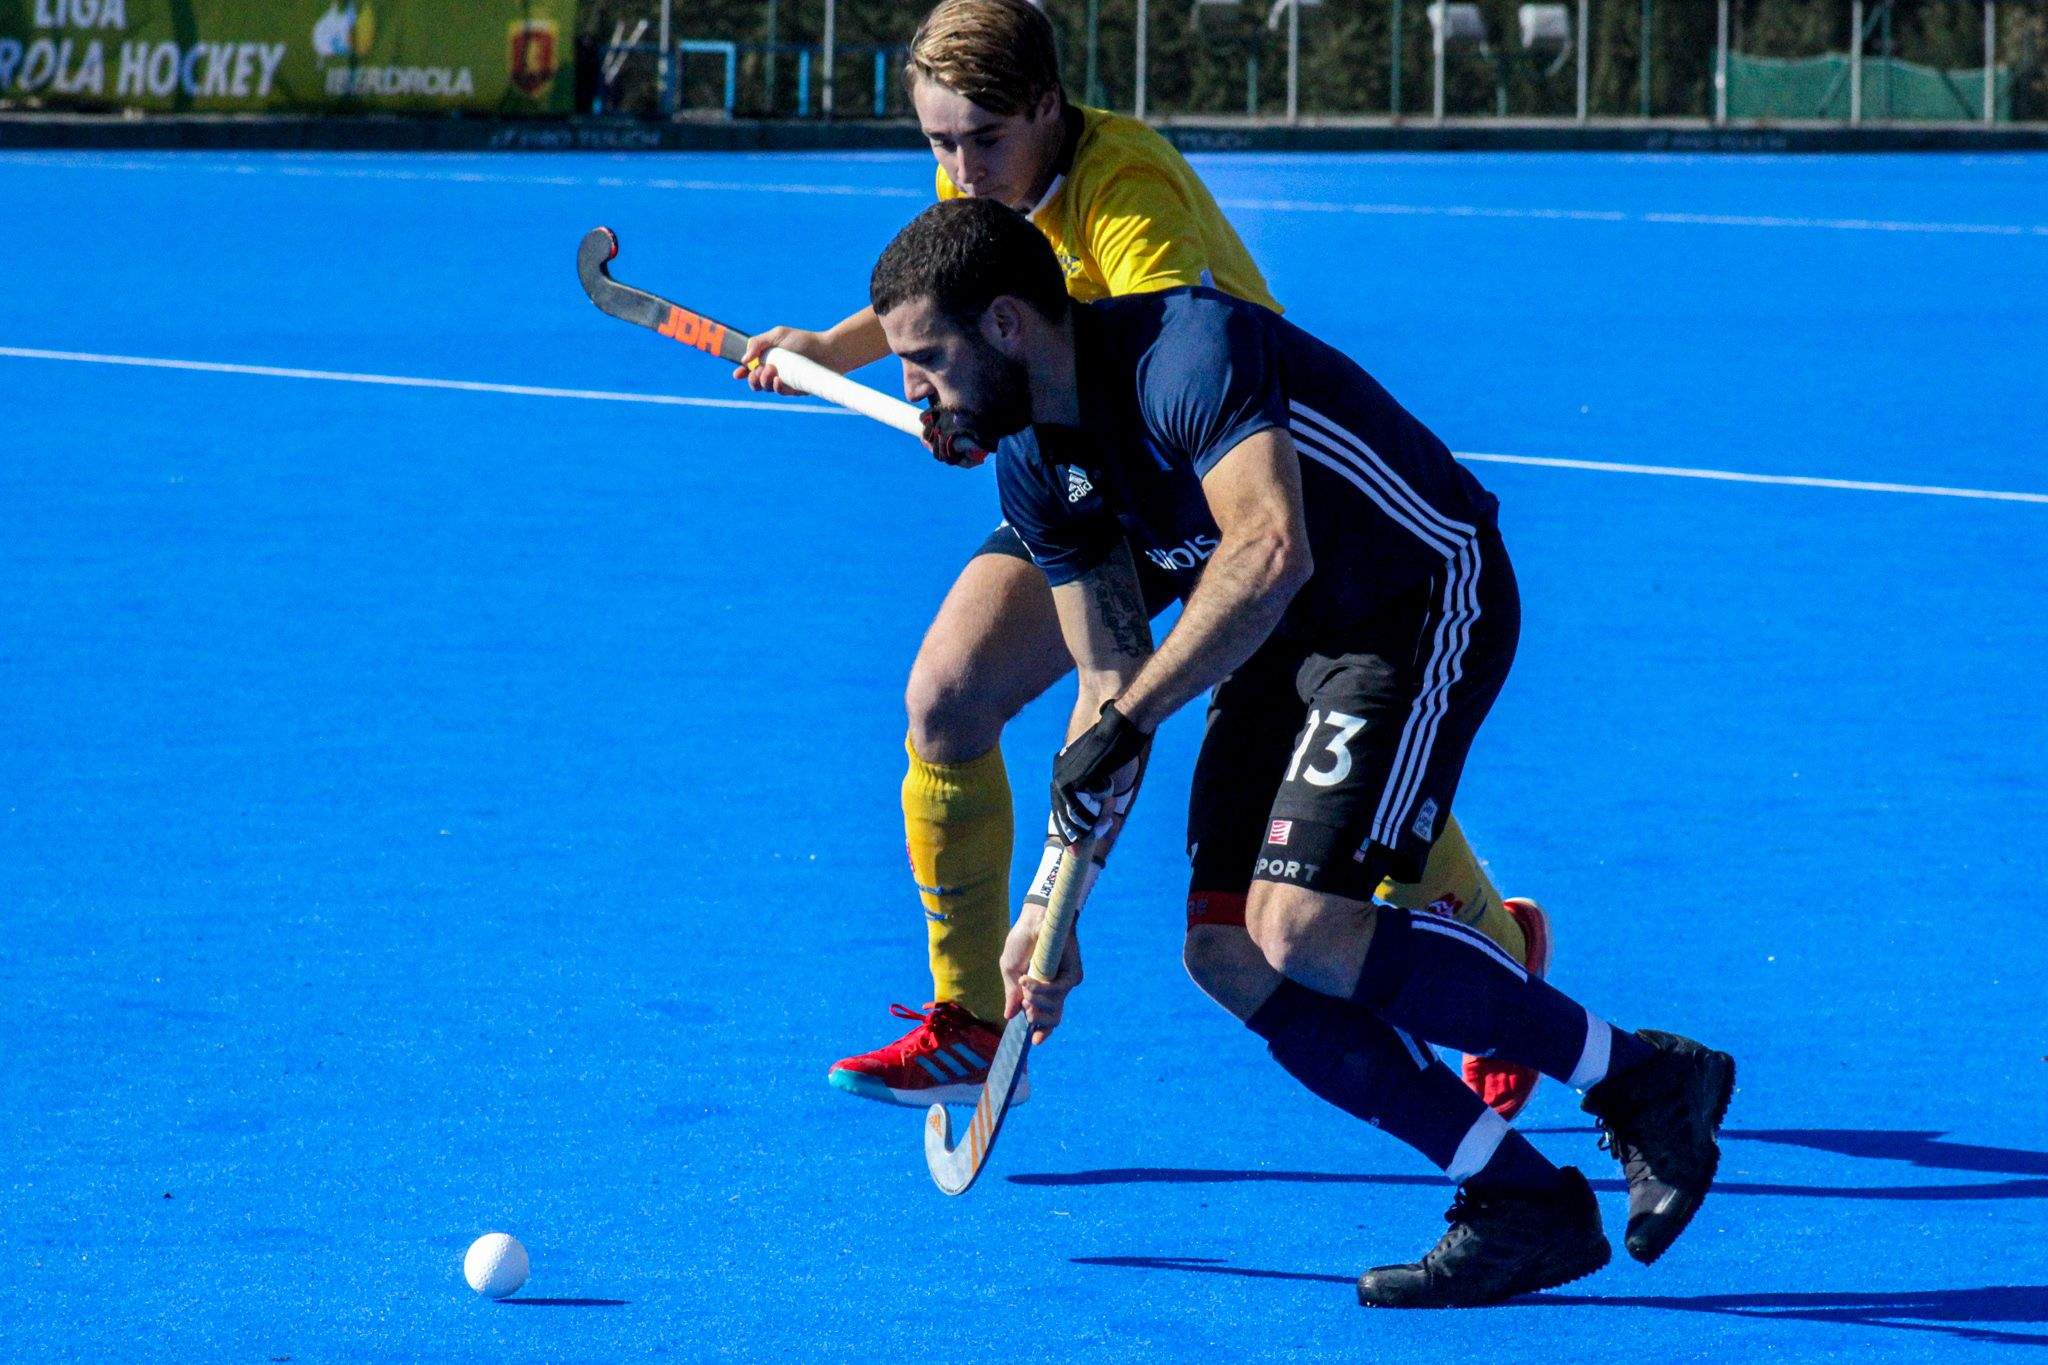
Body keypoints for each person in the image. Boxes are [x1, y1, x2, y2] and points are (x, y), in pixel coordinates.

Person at [867, 196, 1738, 1308]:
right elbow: (1104, 678)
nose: (912, 392)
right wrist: (1052, 901)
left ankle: (1646, 1081)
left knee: (1303, 926)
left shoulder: (1185, 352)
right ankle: (1518, 1199)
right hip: (1284, 646)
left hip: (1413, 598)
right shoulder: (1042, 467)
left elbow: (1268, 550)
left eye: (922, 359)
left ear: (1003, 326)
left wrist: (1135, 716)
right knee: (1227, 952)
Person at [737, 0, 1551, 1120]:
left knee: (1309, 756)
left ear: (1046, 106)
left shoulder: (1129, 195)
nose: (960, 168)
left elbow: (1134, 362)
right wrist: (842, 349)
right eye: (936, 143)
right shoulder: (980, 180)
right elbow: (966, 289)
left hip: (1212, 472)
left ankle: (1492, 944)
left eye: (981, 138)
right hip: (1079, 462)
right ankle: (969, 1018)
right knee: (944, 700)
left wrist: (977, 406)